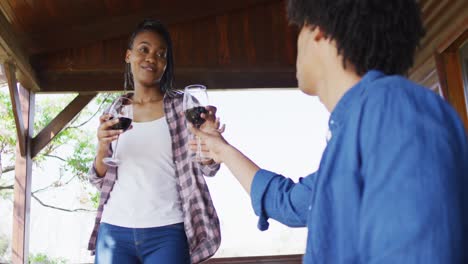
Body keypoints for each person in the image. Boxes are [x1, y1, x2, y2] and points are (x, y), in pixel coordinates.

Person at [190, 0, 468, 263]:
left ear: (318, 31)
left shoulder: (395, 108)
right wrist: (220, 149)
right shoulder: (359, 130)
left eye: (299, 28)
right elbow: (286, 202)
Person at [87, 19, 222, 264]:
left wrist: (211, 145)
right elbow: (99, 178)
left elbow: (208, 166)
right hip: (114, 229)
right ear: (128, 56)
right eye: (144, 49)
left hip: (168, 231)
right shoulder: (116, 109)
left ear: (165, 64)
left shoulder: (184, 106)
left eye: (161, 54)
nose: (152, 57)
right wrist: (101, 147)